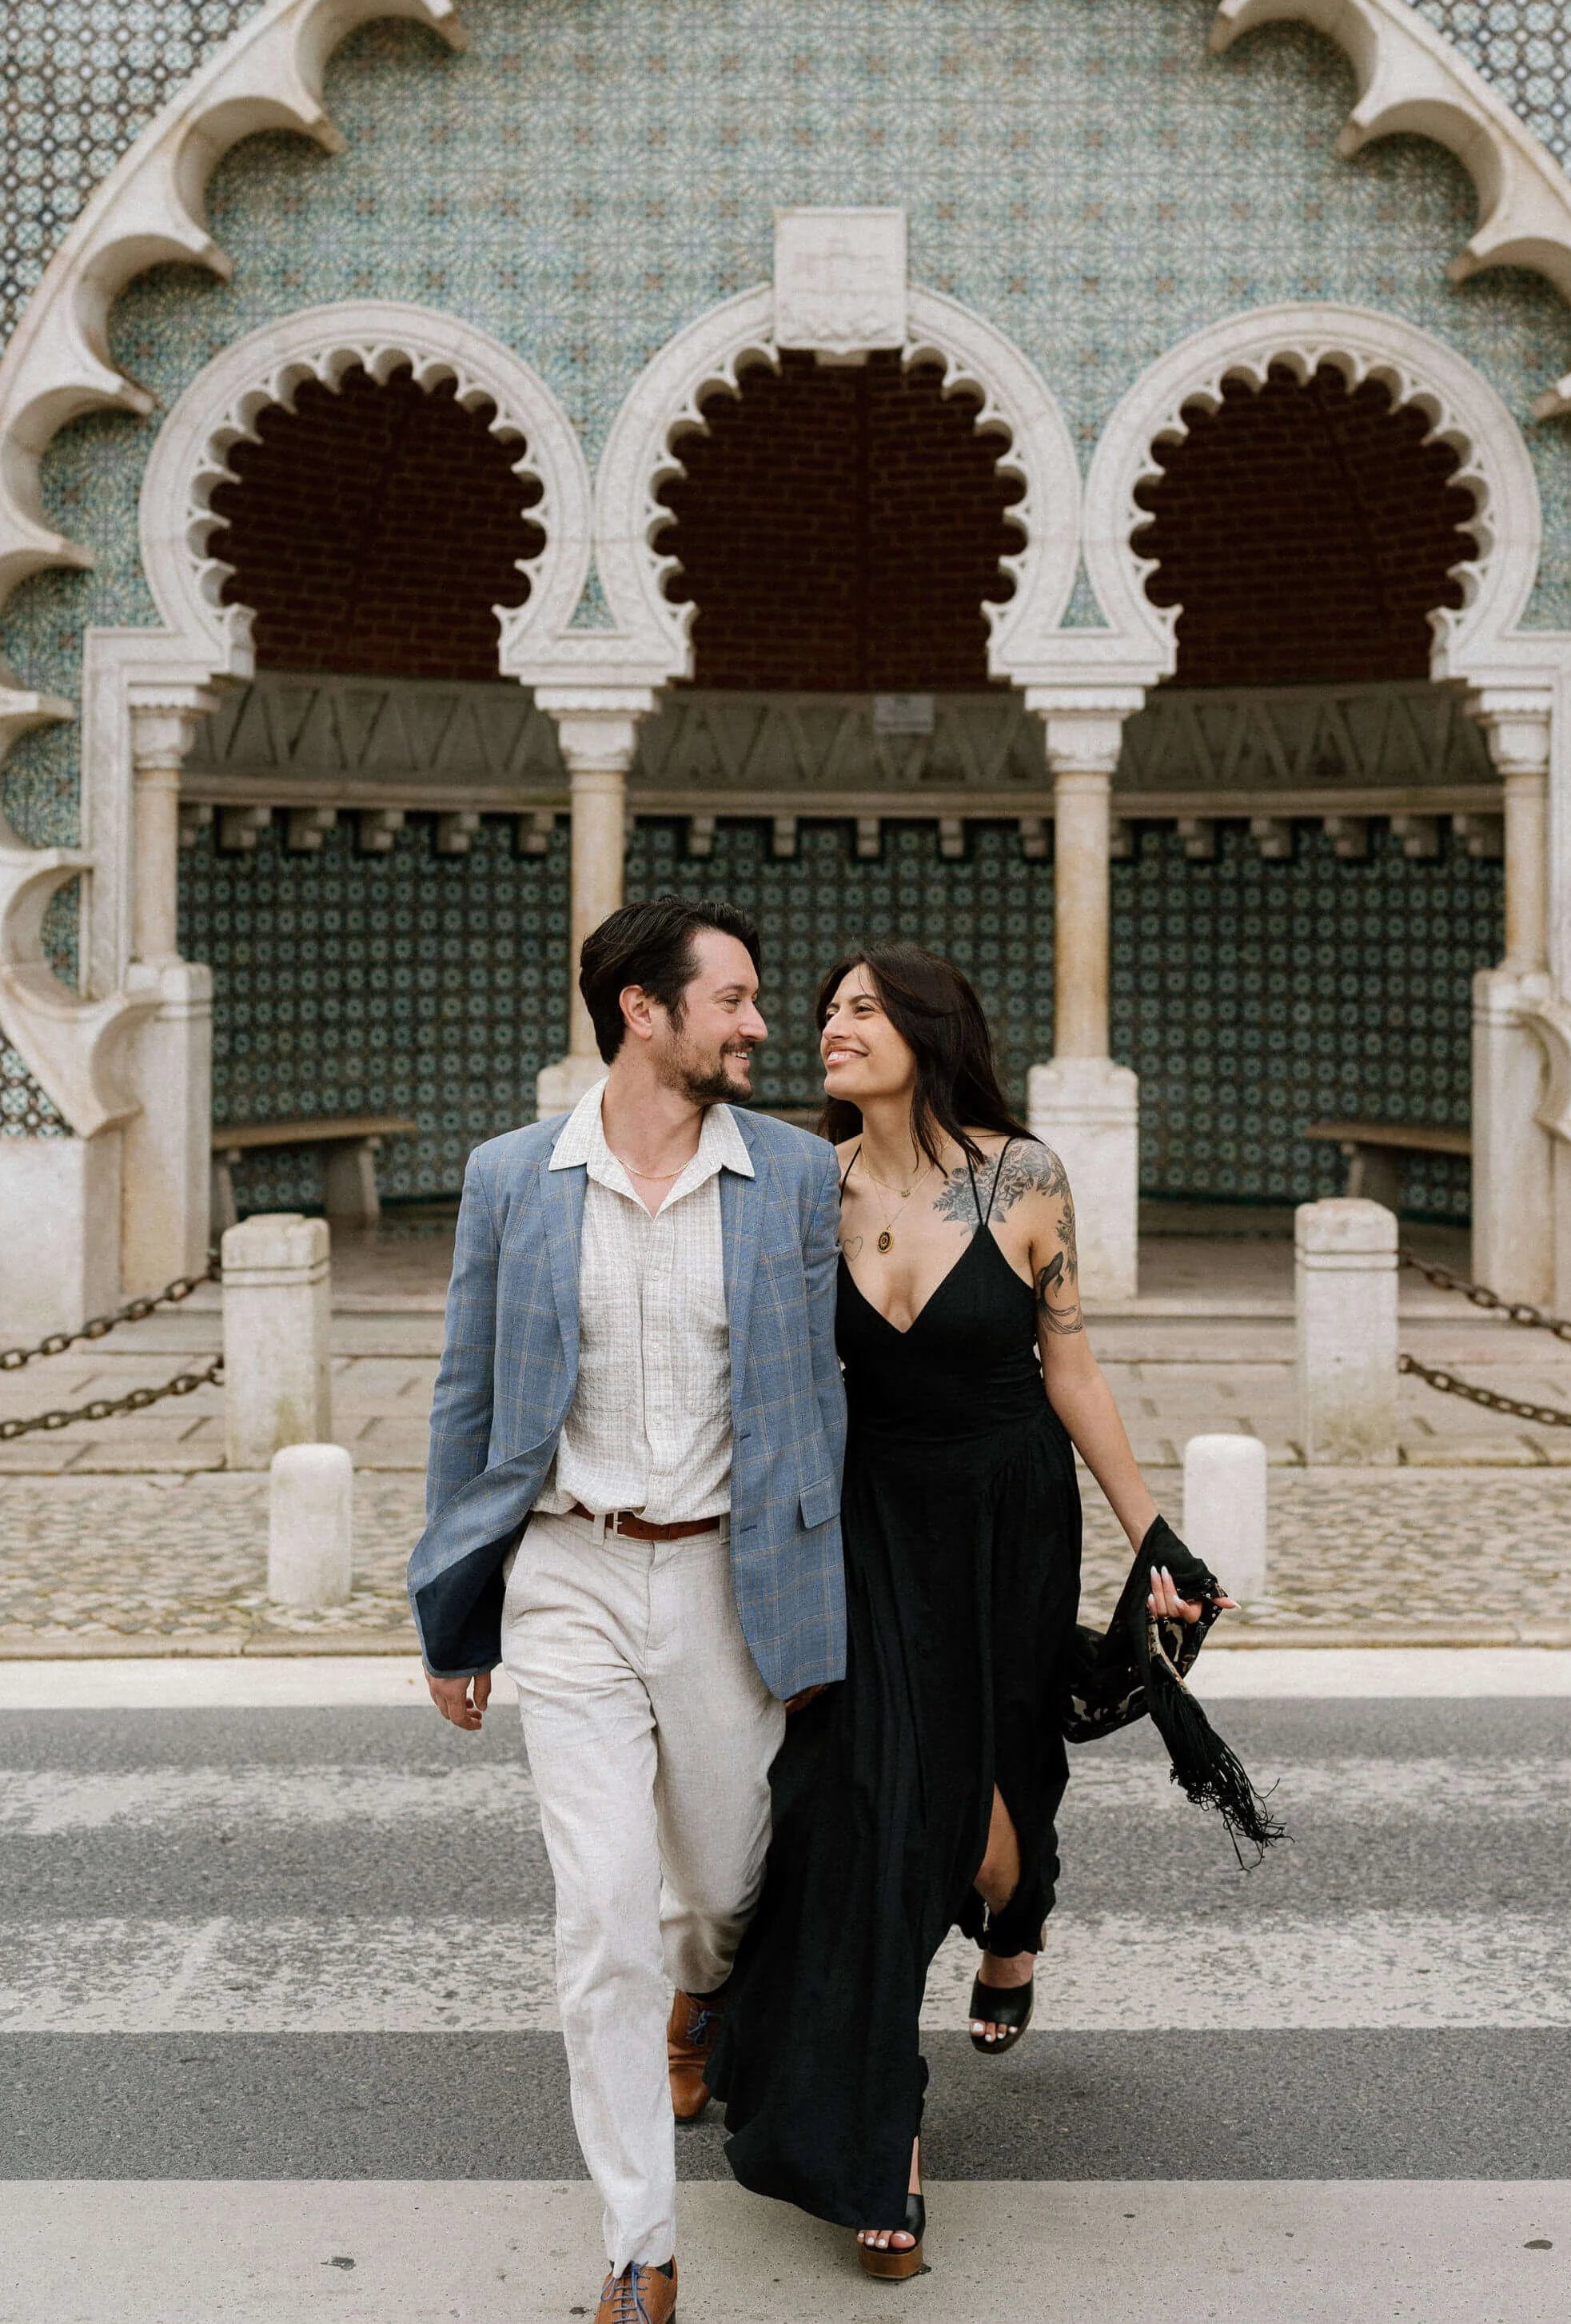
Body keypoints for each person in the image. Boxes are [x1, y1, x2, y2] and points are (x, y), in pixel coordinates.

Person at [708, 942, 1208, 2282]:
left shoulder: (1024, 1175)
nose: (830, 1027)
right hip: (867, 1528)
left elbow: (1071, 1362)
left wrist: (1149, 1525)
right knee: (871, 1809)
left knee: (995, 1791)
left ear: (929, 1027)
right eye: (825, 1012)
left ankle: (1016, 1910)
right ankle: (885, 2137)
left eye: (861, 1009)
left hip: (1003, 1523)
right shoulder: (804, 1187)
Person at [407, 895, 847, 2324]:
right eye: (734, 998)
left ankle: (701, 1994)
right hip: (568, 1572)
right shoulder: (512, 1176)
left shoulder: (790, 1175)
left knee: (717, 1890)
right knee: (600, 1914)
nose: (762, 1024)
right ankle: (640, 2243)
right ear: (644, 1012)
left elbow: (846, 1389)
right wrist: (454, 1615)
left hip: (733, 1573)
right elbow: (468, 1400)